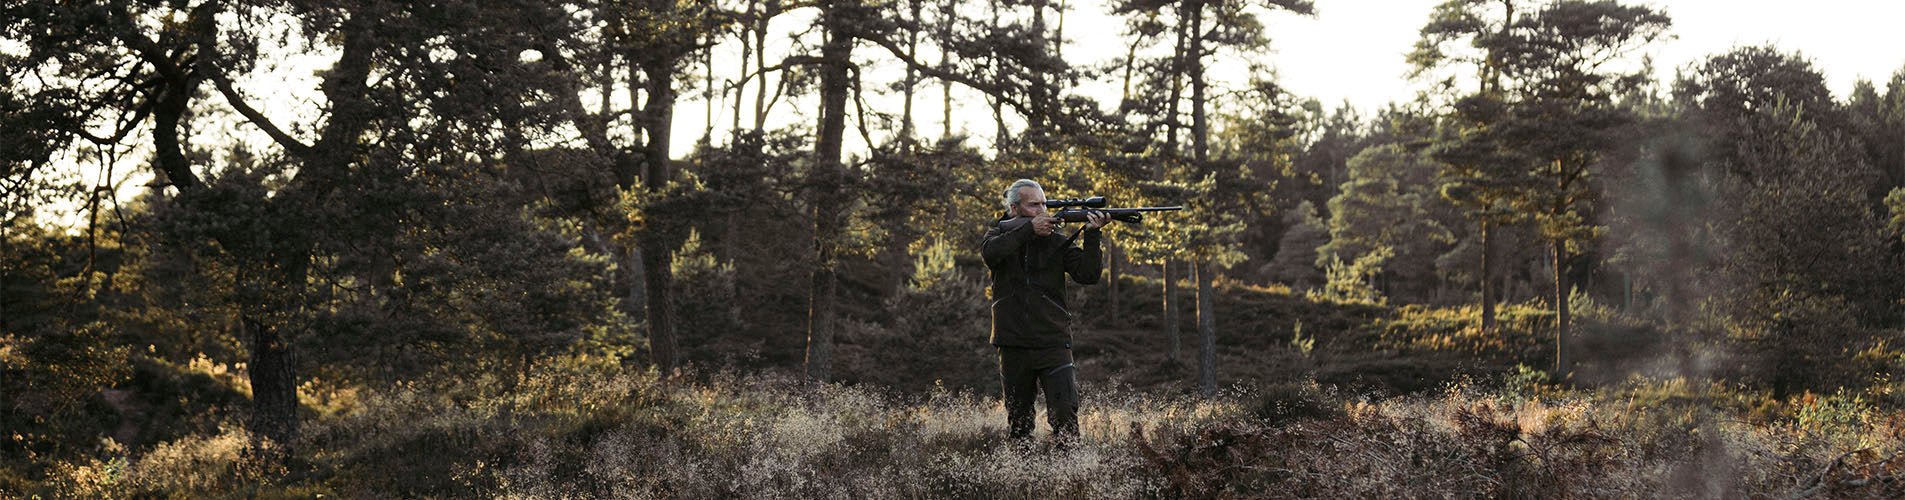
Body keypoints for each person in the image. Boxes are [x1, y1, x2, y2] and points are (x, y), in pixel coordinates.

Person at [981, 179, 1108, 447]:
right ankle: (1024, 479)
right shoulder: (997, 237)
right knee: (1019, 422)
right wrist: (1028, 231)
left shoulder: (1056, 241)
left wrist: (1093, 234)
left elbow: (1088, 274)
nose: (1043, 209)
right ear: (1014, 209)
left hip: (1053, 341)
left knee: (1065, 416)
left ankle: (1069, 477)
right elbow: (991, 254)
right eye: (1034, 204)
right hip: (1012, 343)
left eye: (1044, 203)